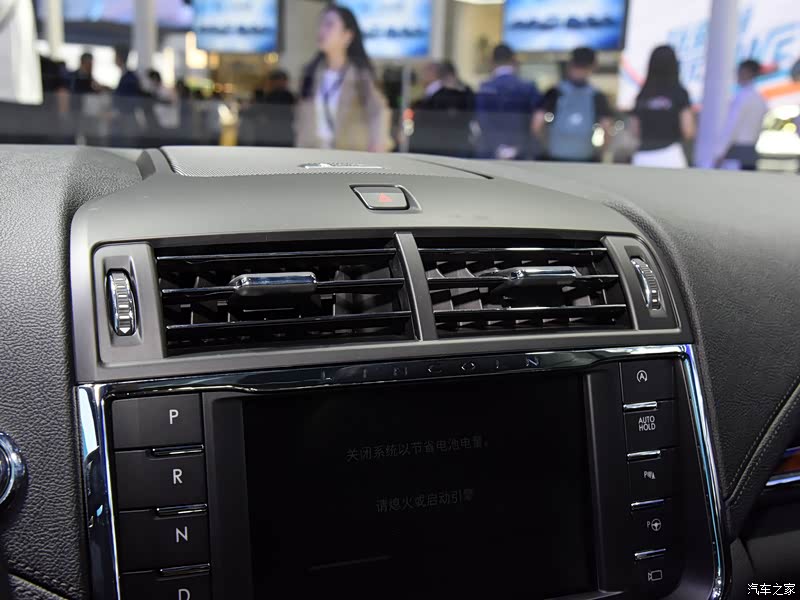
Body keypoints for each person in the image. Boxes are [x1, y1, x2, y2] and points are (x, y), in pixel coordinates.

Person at [295, 4, 391, 151]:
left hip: (350, 155)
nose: (322, 30)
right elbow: (302, 120)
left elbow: (378, 111)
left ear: (347, 35)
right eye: (321, 24)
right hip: (314, 153)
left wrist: (377, 144)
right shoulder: (311, 73)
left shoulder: (360, 75)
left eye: (329, 25)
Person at [533, 47, 613, 162]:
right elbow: (606, 128)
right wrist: (600, 153)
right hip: (585, 158)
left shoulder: (554, 92)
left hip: (554, 157)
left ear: (570, 64)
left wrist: (546, 146)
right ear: (594, 66)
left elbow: (537, 124)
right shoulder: (597, 96)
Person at [628, 46, 695, 168]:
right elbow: (688, 130)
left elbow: (634, 130)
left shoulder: (643, 94)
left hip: (643, 156)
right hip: (670, 154)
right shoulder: (679, 93)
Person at [476, 44, 541, 159]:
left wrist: (498, 148)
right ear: (514, 60)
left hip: (491, 152)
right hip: (522, 152)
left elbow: (482, 119)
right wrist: (521, 146)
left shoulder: (485, 88)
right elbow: (537, 120)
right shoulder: (528, 87)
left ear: (492, 61)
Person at [410, 61, 475, 157]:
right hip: (441, 147)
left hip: (442, 148)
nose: (422, 76)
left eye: (426, 72)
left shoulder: (444, 96)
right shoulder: (431, 97)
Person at [714, 59, 768, 170]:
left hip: (736, 153)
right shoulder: (760, 99)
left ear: (747, 73)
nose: (736, 75)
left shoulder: (742, 97)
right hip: (751, 153)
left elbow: (732, 126)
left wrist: (719, 152)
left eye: (739, 71)